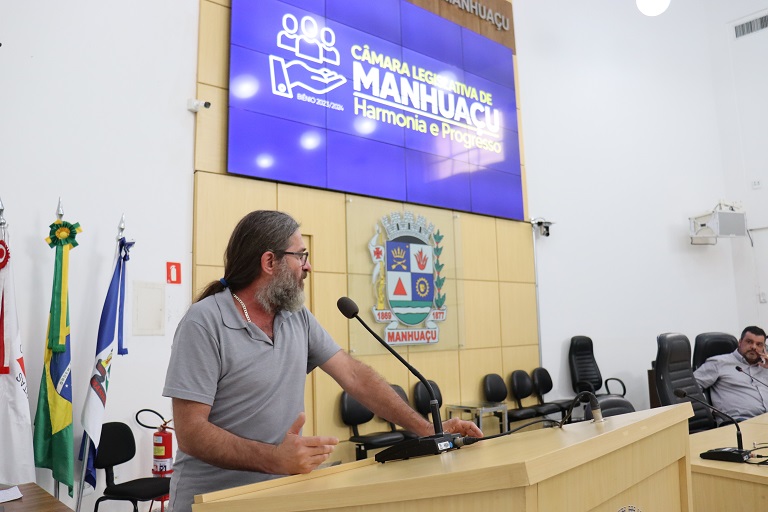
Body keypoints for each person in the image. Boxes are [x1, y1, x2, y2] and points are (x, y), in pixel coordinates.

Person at [162, 210, 482, 512]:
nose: (308, 266)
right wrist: (274, 459)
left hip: (282, 494)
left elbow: (354, 377)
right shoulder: (204, 322)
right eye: (301, 256)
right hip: (213, 501)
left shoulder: (296, 317)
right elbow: (191, 432)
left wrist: (427, 429)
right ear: (269, 261)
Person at [694, 326, 768, 423]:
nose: (754, 347)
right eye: (749, 342)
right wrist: (709, 411)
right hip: (740, 422)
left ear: (764, 348)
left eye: (759, 344)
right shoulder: (719, 363)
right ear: (740, 342)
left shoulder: (765, 367)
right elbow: (691, 387)